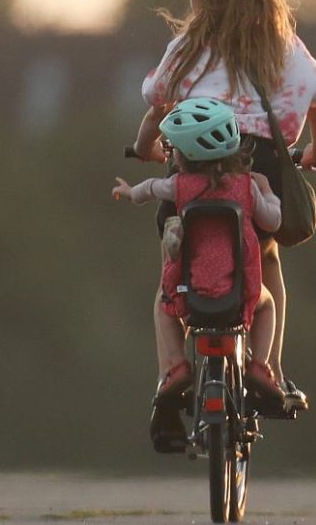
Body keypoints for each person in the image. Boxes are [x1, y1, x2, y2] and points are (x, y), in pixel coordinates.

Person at [129, 0, 316, 411]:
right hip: (259, 166)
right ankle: (270, 370)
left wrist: (148, 149)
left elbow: (155, 103)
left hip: (189, 170)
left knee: (173, 270)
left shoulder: (186, 49)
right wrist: (315, 155)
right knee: (268, 262)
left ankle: (172, 369)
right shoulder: (284, 46)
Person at [113, 97, 285, 451]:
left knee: (163, 309)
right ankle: (262, 365)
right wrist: (268, 191)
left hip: (189, 294)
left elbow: (149, 189)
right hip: (241, 293)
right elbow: (274, 221)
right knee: (268, 304)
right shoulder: (247, 187)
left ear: (182, 156)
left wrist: (129, 193)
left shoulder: (179, 187)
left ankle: (176, 366)